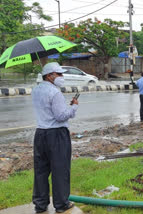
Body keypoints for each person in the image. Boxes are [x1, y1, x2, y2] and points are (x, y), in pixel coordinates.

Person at [31, 62, 78, 213]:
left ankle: (40, 204)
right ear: (50, 75)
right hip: (56, 134)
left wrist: (65, 107)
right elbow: (60, 116)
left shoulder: (36, 90)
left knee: (41, 170)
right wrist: (74, 107)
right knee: (60, 170)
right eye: (59, 74)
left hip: (40, 133)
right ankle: (61, 204)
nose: (62, 77)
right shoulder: (55, 92)